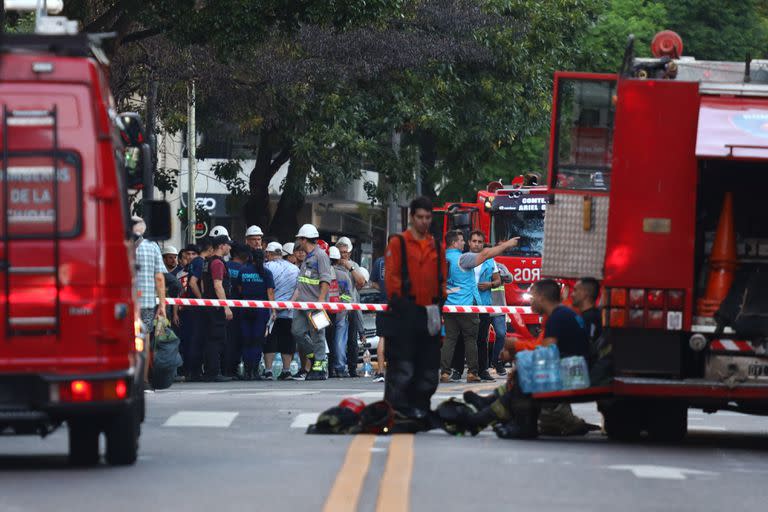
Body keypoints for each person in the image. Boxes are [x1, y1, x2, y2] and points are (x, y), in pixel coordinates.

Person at [463, 279, 594, 438]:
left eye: (532, 297)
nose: (530, 301)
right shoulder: (561, 314)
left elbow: (545, 352)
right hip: (576, 369)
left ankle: (495, 418)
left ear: (541, 297)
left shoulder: (558, 317)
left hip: (575, 374)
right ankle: (491, 414)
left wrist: (516, 348)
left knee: (525, 373)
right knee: (525, 370)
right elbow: (545, 348)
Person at [382, 196, 445, 422]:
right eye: (420, 217)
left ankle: (420, 408)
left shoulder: (437, 245)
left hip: (430, 312)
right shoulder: (398, 243)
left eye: (428, 217)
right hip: (405, 311)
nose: (424, 221)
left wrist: (439, 305)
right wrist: (402, 307)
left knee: (428, 368)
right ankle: (397, 409)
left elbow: (442, 280)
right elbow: (391, 279)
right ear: (412, 217)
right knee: (403, 366)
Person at [441, 232, 518, 383]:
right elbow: (485, 254)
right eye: (462, 241)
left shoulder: (442, 258)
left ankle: (444, 373)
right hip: (467, 305)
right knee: (471, 339)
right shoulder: (462, 258)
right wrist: (507, 245)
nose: (464, 244)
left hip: (449, 306)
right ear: (455, 243)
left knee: (450, 339)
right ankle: (472, 373)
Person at [291, 223, 334, 380]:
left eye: (299, 239)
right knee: (297, 332)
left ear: (304, 239)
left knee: (318, 335)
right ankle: (316, 358)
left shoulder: (321, 256)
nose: (298, 242)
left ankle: (320, 367)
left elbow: (325, 280)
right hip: (302, 304)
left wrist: (320, 302)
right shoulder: (307, 257)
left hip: (316, 303)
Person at [132, 216, 167, 388]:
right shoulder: (152, 247)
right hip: (145, 303)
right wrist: (162, 304)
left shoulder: (117, 244)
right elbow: (159, 278)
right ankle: (143, 380)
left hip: (123, 303)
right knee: (143, 339)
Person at [235, 249, 275, 380]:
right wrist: (273, 310)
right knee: (257, 340)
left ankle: (247, 371)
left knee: (246, 339)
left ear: (250, 257)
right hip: (261, 309)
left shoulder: (243, 271)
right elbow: (270, 293)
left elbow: (239, 289)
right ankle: (255, 371)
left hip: (245, 307)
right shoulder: (267, 273)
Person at [200, 235, 235, 382]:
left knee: (210, 338)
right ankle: (213, 372)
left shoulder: (207, 262)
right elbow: (218, 285)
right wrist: (225, 306)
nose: (230, 248)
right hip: (216, 307)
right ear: (222, 246)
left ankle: (210, 371)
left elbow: (202, 284)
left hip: (209, 306)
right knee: (216, 339)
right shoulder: (218, 263)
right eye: (228, 245)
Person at [264, 242, 299, 380]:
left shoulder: (267, 267)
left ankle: (268, 371)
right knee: (287, 340)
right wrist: (290, 303)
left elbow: (267, 290)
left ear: (269, 253)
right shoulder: (294, 269)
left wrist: (274, 307)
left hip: (270, 312)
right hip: (289, 311)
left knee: (270, 340)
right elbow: (299, 288)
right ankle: (286, 371)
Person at [469, 230, 500, 382]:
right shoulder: (463, 259)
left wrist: (490, 284)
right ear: (469, 243)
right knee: (464, 338)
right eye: (474, 241)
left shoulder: (490, 261)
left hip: (484, 305)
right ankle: (457, 370)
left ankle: (483, 370)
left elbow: (498, 281)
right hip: (466, 304)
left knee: (482, 339)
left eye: (480, 242)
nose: (477, 244)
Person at [183, 237, 213, 380]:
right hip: (196, 308)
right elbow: (193, 283)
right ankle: (194, 372)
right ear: (210, 249)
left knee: (193, 339)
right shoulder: (200, 262)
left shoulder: (196, 262)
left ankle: (192, 371)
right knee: (197, 339)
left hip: (191, 307)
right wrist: (201, 300)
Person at [223, 243, 249, 378]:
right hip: (238, 310)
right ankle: (232, 369)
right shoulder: (244, 269)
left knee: (225, 339)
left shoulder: (225, 265)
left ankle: (224, 369)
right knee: (235, 340)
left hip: (223, 307)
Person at [329, 246, 353, 378]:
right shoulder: (343, 275)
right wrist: (342, 305)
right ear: (338, 259)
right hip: (340, 311)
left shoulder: (324, 272)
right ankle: (339, 367)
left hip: (325, 311)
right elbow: (348, 295)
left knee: (324, 338)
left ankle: (328, 366)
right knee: (340, 339)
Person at [369, 255, 387, 382]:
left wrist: (384, 289)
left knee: (382, 338)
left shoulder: (379, 261)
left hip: (383, 304)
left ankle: (381, 372)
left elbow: (373, 283)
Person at [572, 277, 602, 348]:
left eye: (575, 290)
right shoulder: (595, 315)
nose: (572, 294)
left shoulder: (590, 318)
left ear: (585, 293)